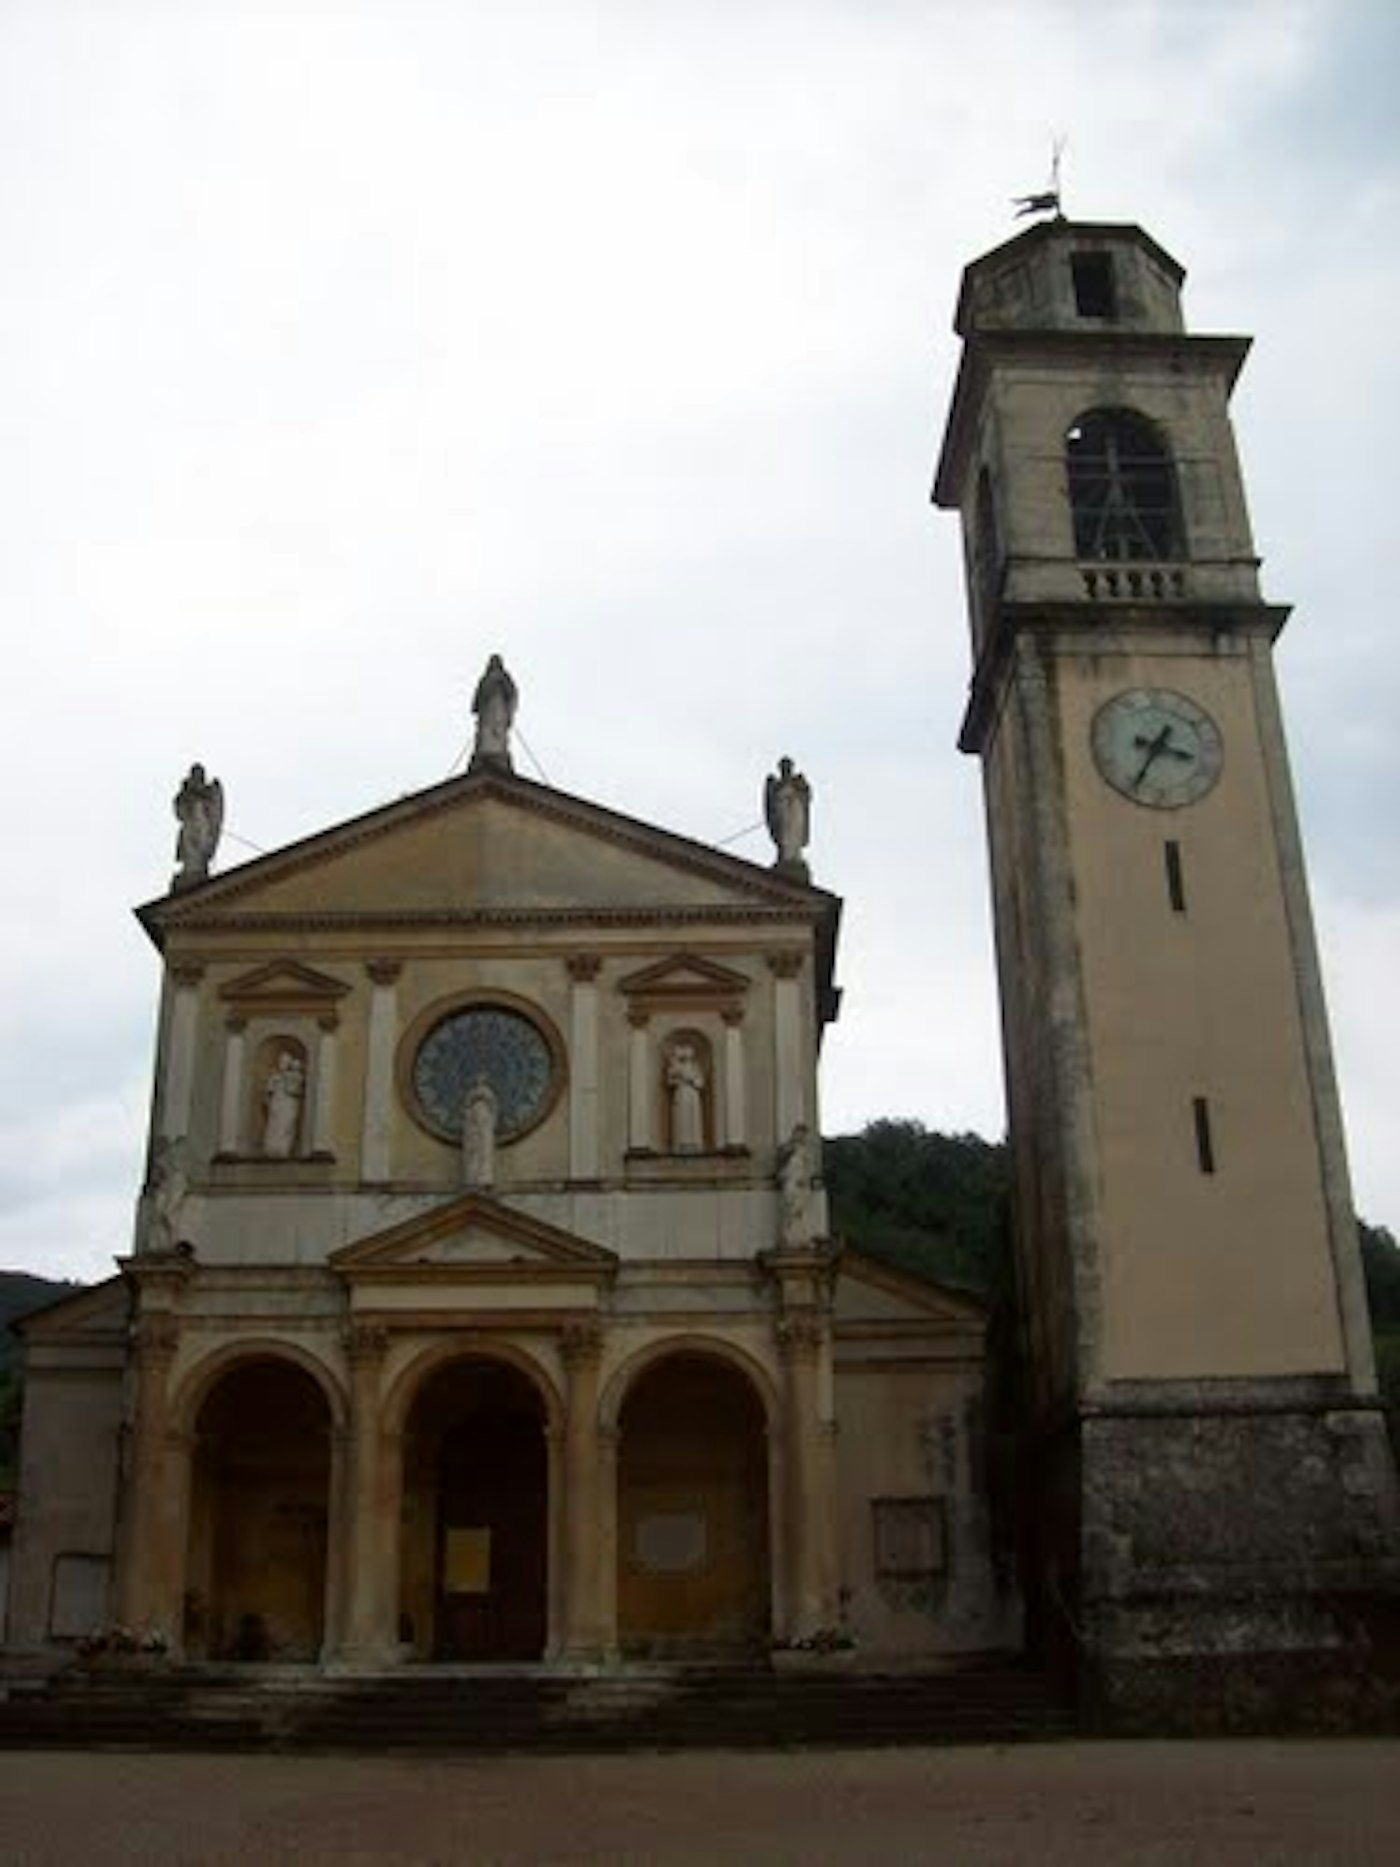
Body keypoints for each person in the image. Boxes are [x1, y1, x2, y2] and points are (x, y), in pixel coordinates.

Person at [172, 763, 224, 888]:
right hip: (190, 823)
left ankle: (196, 867)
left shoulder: (207, 792)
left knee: (199, 844)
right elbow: (179, 810)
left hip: (201, 822)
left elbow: (213, 809)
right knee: (189, 844)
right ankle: (190, 868)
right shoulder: (187, 790)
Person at [763, 757, 812, 874]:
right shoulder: (776, 784)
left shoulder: (797, 781)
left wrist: (798, 792)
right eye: (784, 767)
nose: (786, 769)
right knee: (785, 833)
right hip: (783, 811)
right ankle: (786, 855)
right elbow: (771, 801)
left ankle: (795, 857)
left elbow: (806, 796)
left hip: (795, 810)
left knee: (794, 832)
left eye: (788, 766)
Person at [469, 654, 518, 770]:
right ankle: (487, 749)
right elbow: (477, 700)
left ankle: (496, 749)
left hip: (499, 707)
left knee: (497, 727)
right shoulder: (485, 679)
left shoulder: (504, 678)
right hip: (487, 712)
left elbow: (512, 694)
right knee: (487, 729)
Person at [262, 1052, 305, 1158]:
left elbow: (298, 1091)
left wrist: (291, 1086)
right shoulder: (275, 1077)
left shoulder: (295, 1077)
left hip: (289, 1103)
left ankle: (284, 1148)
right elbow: (269, 1092)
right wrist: (269, 1103)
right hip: (277, 1103)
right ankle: (271, 1148)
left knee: (287, 1125)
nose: (283, 1065)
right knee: (274, 1126)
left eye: (286, 1062)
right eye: (281, 1062)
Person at [666, 1042, 706, 1152]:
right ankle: (679, 1142)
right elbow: (669, 1082)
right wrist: (679, 1079)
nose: (687, 1054)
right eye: (685, 1051)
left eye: (690, 1052)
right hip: (681, 1093)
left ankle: (695, 1143)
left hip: (693, 1094)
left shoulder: (696, 1067)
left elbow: (701, 1083)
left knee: (693, 1117)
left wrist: (692, 1080)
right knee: (681, 1117)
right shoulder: (675, 1066)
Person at [462, 1077, 499, 1188]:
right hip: (473, 1135)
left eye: (482, 1080)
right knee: (473, 1153)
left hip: (484, 1133)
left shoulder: (488, 1095)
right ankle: (472, 1178)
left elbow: (494, 1108)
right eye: (478, 1080)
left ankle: (484, 1178)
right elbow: (466, 1107)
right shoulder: (472, 1099)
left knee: (485, 1151)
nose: (479, 1081)